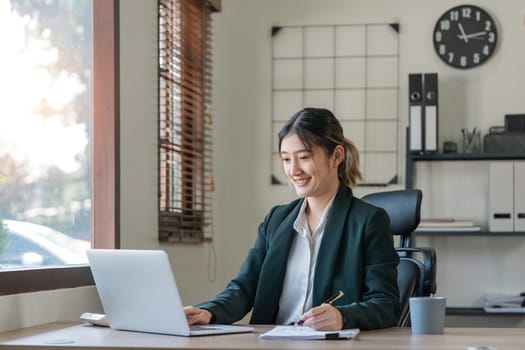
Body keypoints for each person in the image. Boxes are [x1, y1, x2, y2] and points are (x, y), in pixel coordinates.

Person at [184, 107, 400, 330]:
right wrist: (210, 311)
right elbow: (246, 286)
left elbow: (386, 304)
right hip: (271, 342)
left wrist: (343, 317)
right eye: (286, 159)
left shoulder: (368, 220)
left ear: (336, 156)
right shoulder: (277, 219)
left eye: (304, 157)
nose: (294, 169)